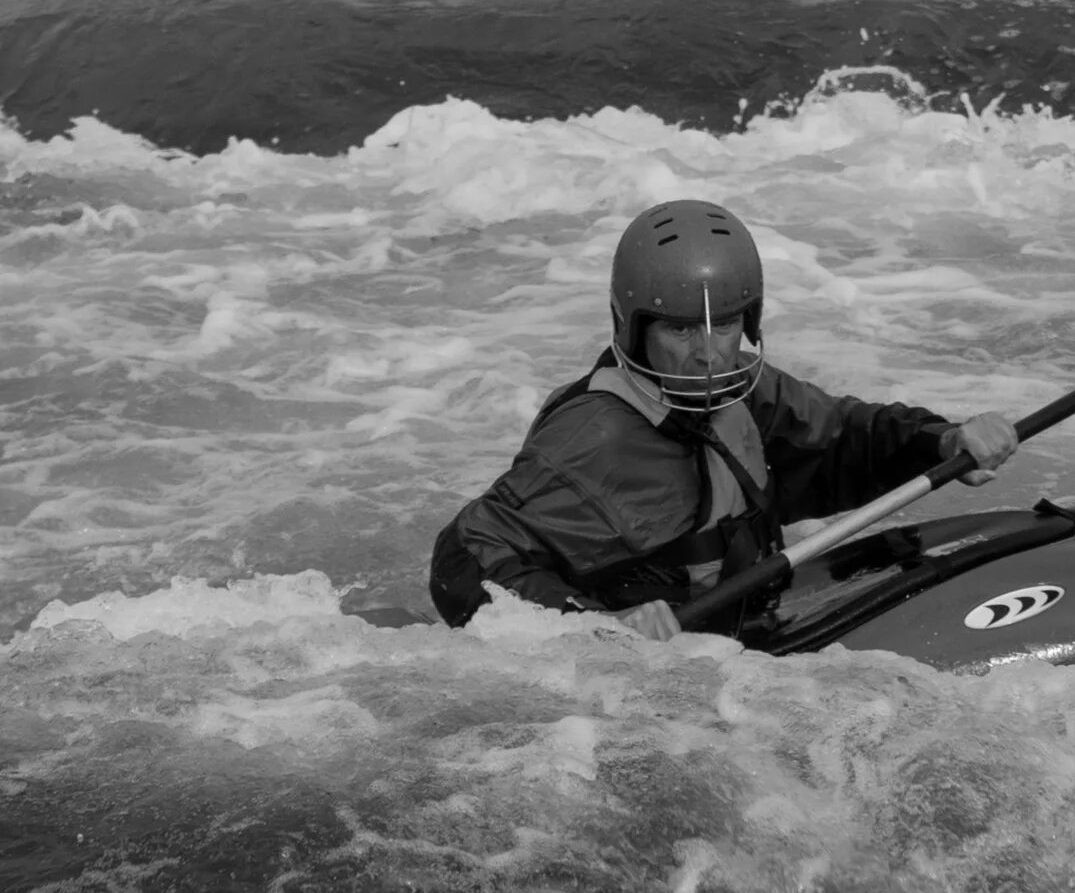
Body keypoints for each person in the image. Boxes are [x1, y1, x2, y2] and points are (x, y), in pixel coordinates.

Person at [429, 200, 1019, 639]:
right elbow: (466, 556)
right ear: (632, 328)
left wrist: (942, 440)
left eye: (725, 324)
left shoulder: (741, 388)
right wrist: (598, 628)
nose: (709, 353)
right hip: (652, 682)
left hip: (746, 632)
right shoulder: (594, 442)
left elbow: (842, 440)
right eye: (681, 329)